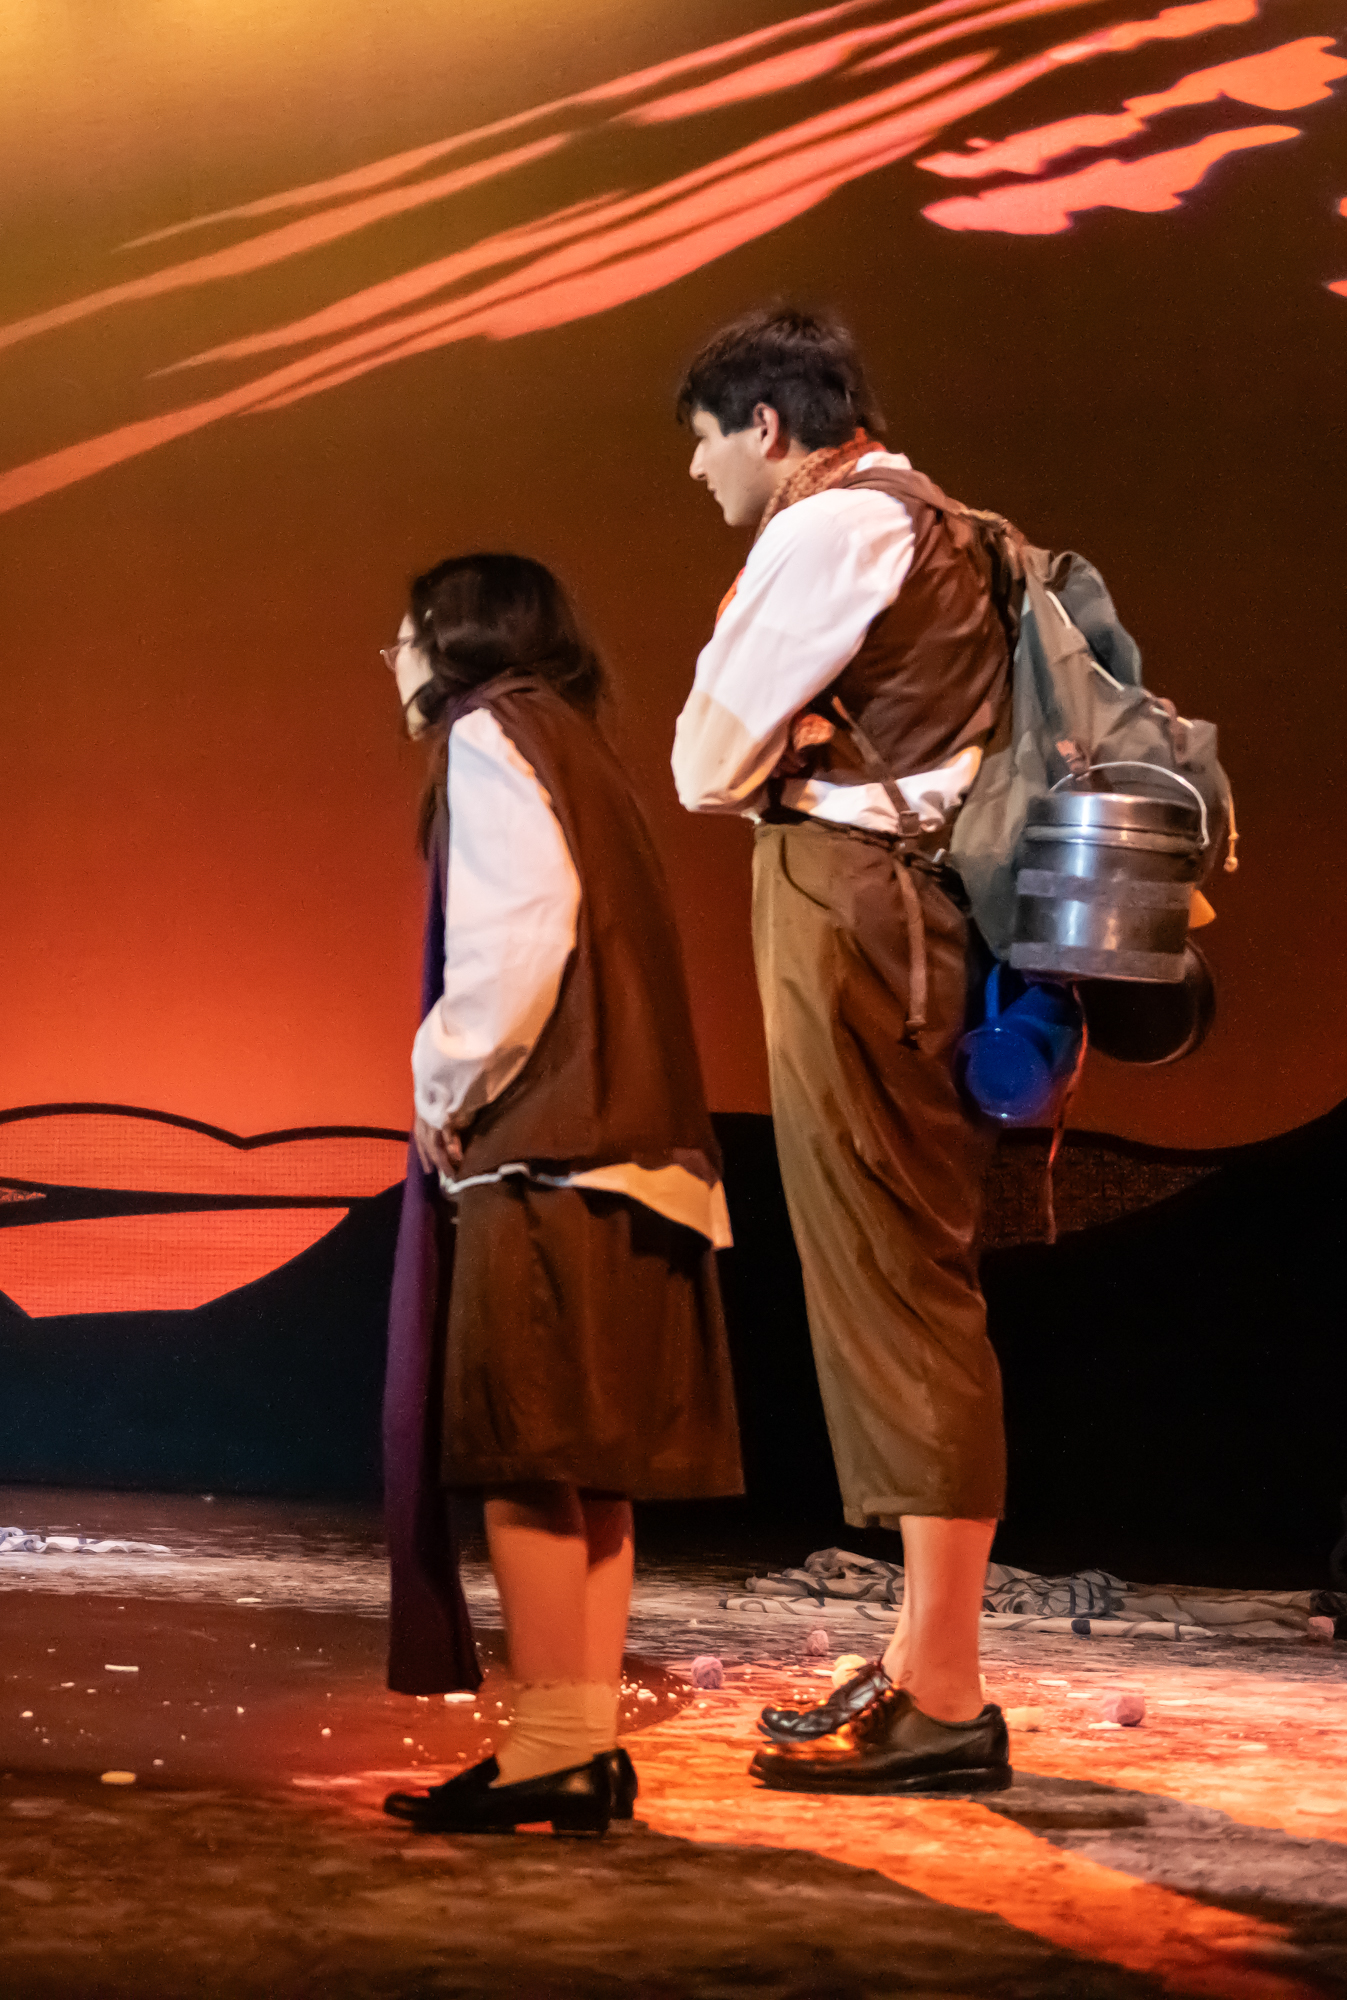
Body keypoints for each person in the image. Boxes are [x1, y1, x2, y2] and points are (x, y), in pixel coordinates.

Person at [669, 305, 1013, 1793]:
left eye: (704, 441)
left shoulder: (833, 528)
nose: (699, 473)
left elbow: (701, 763)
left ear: (766, 426)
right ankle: (923, 1656)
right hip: (901, 908)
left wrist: (783, 746)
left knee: (895, 1275)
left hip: (859, 906)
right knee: (896, 1267)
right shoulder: (950, 523)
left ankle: (947, 1692)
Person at [379, 554, 742, 1837]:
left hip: (555, 1156)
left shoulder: (493, 734)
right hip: (643, 1158)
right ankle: (576, 1745)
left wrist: (443, 1080)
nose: (393, 660)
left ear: (456, 636)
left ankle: (550, 1746)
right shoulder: (580, 745)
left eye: (404, 634)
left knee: (529, 1452)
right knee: (588, 1465)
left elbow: (518, 939)